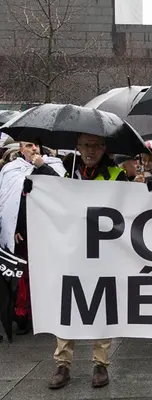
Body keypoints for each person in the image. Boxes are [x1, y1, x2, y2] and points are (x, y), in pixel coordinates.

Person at [49, 133, 127, 390]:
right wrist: (34, 191)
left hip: (104, 253)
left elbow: (132, 208)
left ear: (104, 148)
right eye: (86, 146)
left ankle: (100, 364)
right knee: (68, 306)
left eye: (96, 146)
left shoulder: (117, 174)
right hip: (73, 253)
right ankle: (62, 364)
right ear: (78, 148)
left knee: (102, 307)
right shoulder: (69, 174)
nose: (90, 151)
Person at [0, 142, 66, 336]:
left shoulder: (53, 164)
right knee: (23, 275)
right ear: (21, 150)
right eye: (29, 146)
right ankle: (23, 314)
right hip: (23, 232)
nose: (34, 149)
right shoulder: (11, 170)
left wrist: (41, 168)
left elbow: (62, 189)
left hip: (46, 230)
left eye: (36, 145)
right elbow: (7, 201)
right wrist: (13, 227)